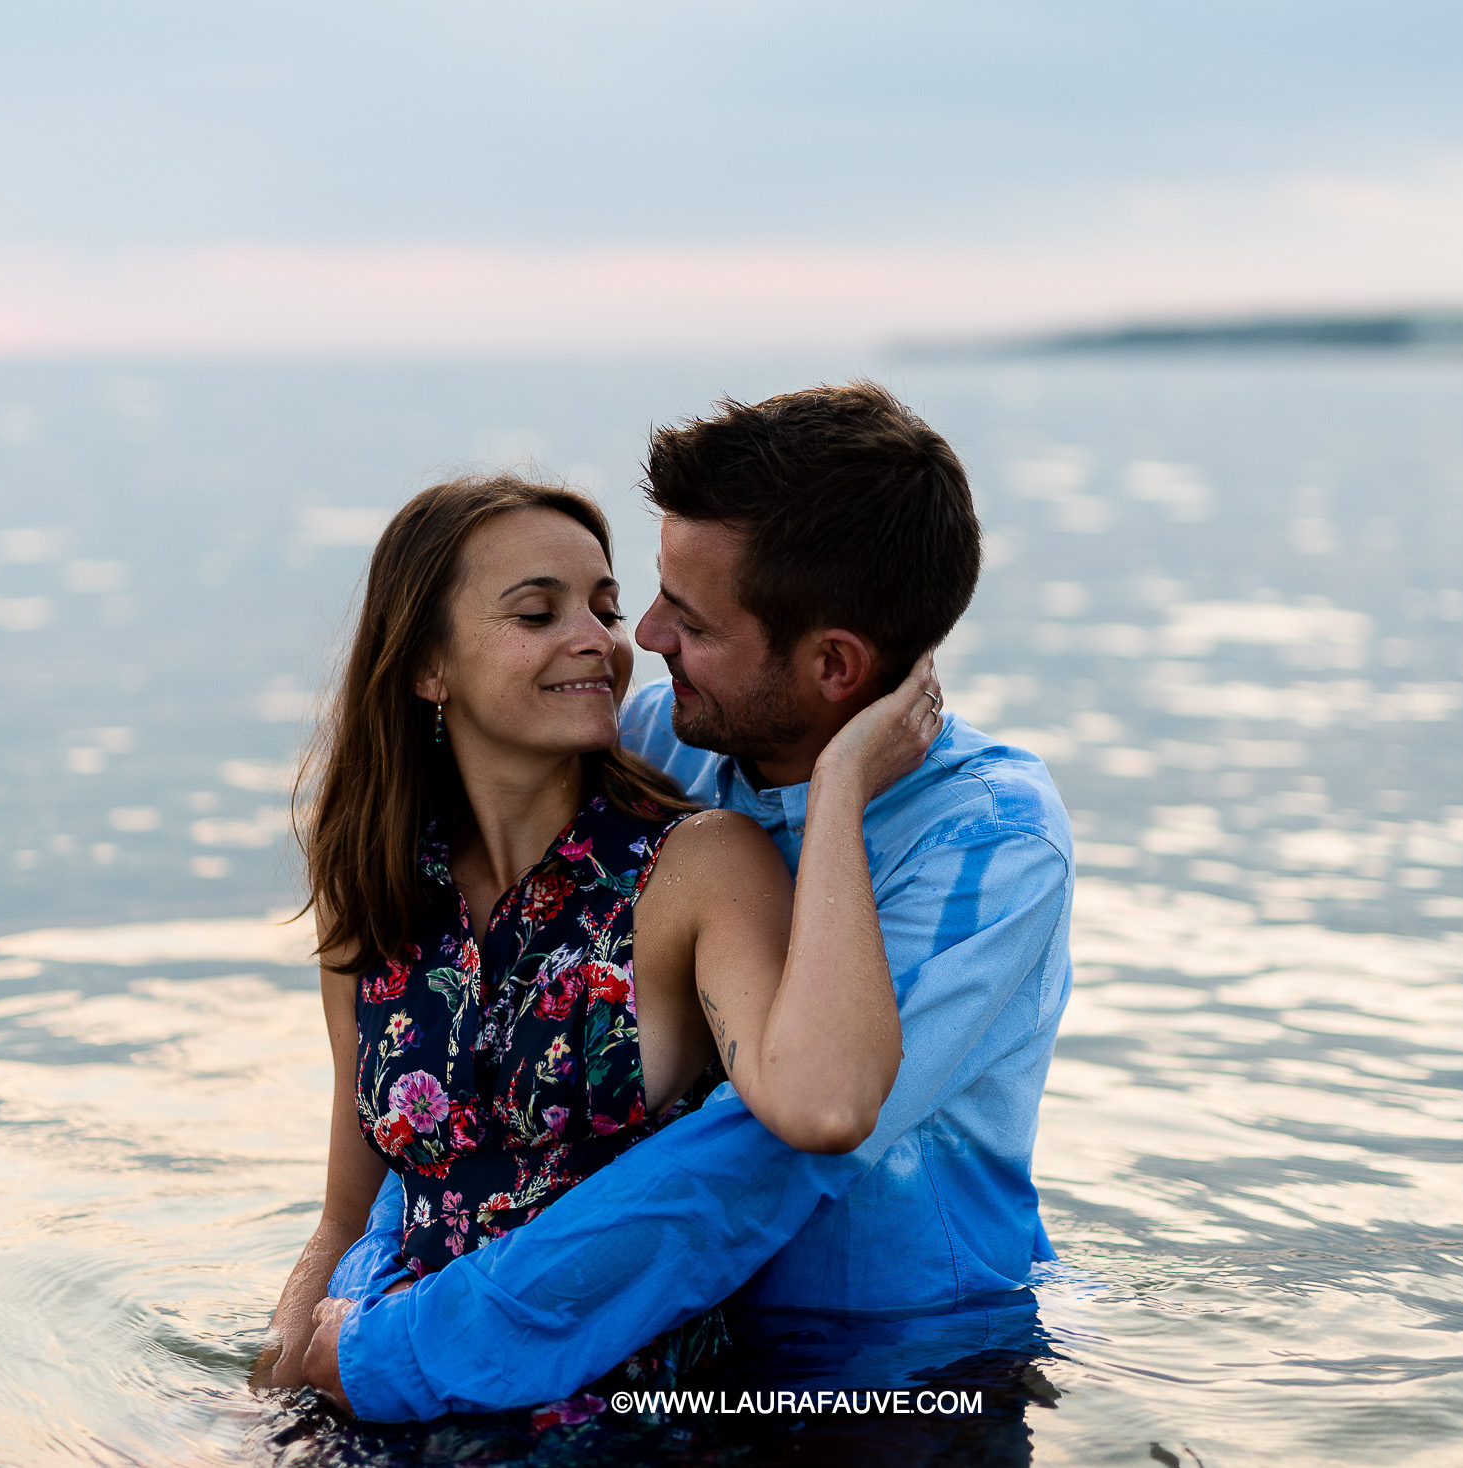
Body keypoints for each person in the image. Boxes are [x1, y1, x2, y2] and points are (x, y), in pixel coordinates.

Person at [285, 381, 1078, 1420]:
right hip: (634, 1345)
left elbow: (757, 1157)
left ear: (833, 664)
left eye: (685, 618)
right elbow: (451, 1070)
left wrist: (403, 1348)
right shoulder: (658, 740)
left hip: (902, 1364)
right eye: (640, 598)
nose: (640, 637)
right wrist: (319, 1323)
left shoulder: (989, 846)